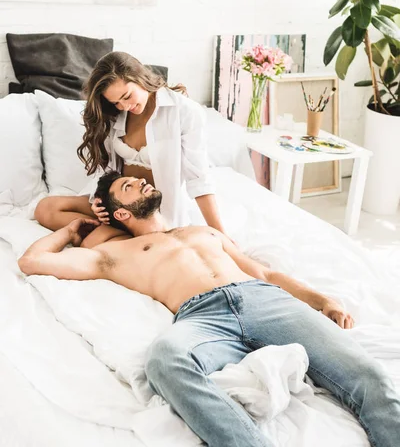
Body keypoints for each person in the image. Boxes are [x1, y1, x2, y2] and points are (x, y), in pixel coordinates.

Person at [20, 172, 400, 447]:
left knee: (367, 375)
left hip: (262, 300)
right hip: (202, 316)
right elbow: (32, 261)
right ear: (120, 213)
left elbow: (265, 272)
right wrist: (71, 231)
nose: (142, 182)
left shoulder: (203, 232)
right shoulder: (112, 253)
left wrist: (322, 300)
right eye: (129, 186)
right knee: (164, 360)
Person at [35, 51, 226, 245]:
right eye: (116, 102)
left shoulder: (184, 112)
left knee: (95, 242)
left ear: (139, 78)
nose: (124, 106)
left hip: (148, 212)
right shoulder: (116, 115)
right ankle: (107, 233)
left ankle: (117, 238)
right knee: (45, 208)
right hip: (117, 202)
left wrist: (221, 237)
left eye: (126, 96)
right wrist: (98, 201)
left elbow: (199, 179)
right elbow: (107, 170)